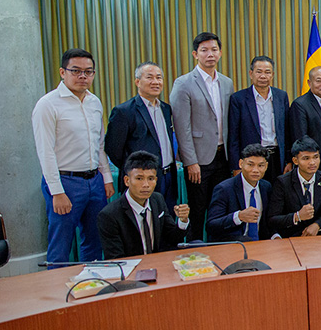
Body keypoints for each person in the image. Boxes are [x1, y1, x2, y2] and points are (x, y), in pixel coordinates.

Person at [32, 48, 115, 265]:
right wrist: (56, 191)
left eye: (88, 72)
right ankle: (58, 294)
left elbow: (99, 145)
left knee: (95, 239)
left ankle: (92, 288)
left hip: (94, 181)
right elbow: (45, 152)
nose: (83, 76)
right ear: (62, 72)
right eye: (76, 71)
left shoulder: (94, 102)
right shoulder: (48, 104)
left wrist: (106, 177)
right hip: (65, 182)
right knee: (61, 243)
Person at [170, 31, 233, 241]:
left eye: (214, 49)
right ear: (195, 54)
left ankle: (219, 248)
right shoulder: (184, 83)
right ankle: (195, 250)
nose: (210, 54)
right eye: (204, 50)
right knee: (198, 210)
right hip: (199, 161)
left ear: (221, 53)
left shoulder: (226, 83)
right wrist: (191, 162)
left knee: (221, 209)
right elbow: (181, 127)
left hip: (222, 158)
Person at [105, 61, 179, 210]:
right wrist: (136, 171)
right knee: (142, 225)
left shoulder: (166, 109)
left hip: (168, 176)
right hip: (141, 179)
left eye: (159, 78)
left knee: (166, 221)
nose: (155, 82)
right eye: (150, 77)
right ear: (137, 82)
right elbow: (113, 149)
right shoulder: (124, 111)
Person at [97, 151, 190, 259]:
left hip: (159, 265)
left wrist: (183, 221)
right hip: (131, 270)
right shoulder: (109, 215)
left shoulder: (157, 200)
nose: (146, 185)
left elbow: (172, 238)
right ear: (127, 181)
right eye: (139, 178)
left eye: (150, 179)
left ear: (156, 180)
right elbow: (116, 258)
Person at [267, 137, 321, 238]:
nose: (312, 162)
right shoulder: (283, 182)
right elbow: (272, 219)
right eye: (306, 158)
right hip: (294, 231)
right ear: (295, 160)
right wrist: (297, 216)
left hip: (316, 229)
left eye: (315, 157)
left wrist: (317, 224)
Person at [228, 56, 290, 183]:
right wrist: (236, 166)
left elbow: (287, 131)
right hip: (252, 159)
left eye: (267, 72)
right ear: (251, 74)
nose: (263, 76)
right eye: (259, 72)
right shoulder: (238, 99)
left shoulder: (281, 96)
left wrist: (288, 160)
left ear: (272, 75)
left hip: (277, 157)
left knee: (277, 195)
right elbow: (233, 136)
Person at [287, 66, 321, 187]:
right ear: (309, 82)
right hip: (315, 164)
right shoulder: (300, 105)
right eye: (319, 80)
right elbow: (300, 138)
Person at [206, 143, 272, 242]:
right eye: (250, 165)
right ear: (241, 164)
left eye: (260, 166)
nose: (255, 170)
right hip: (232, 244)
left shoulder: (266, 187)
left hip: (260, 244)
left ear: (266, 166)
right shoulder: (224, 189)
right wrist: (238, 217)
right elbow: (211, 225)